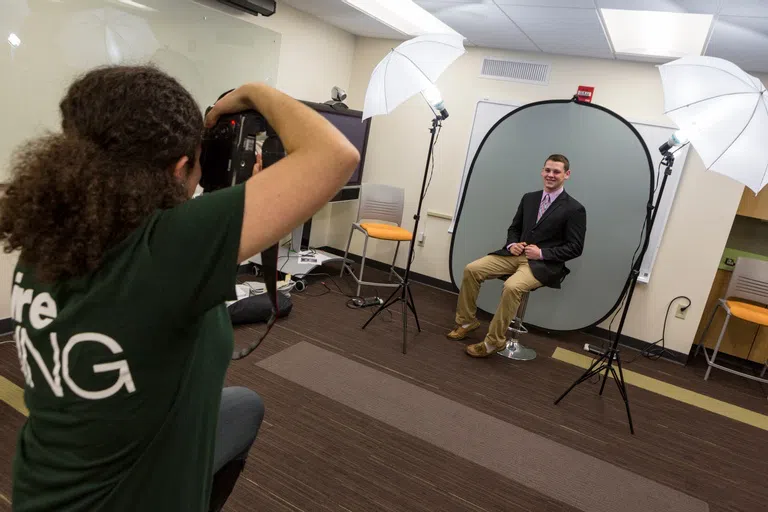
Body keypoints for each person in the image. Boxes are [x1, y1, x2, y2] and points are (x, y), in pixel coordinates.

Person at [0, 66, 359, 511]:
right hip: (124, 499)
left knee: (243, 408)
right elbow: (334, 153)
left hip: (45, 487)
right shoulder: (170, 252)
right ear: (178, 168)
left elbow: (149, 283)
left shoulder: (52, 235)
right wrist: (252, 92)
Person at [447, 154, 586, 357]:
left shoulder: (575, 209)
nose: (551, 175)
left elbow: (575, 247)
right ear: (542, 171)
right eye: (547, 170)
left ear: (567, 174)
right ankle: (467, 322)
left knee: (512, 286)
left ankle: (493, 342)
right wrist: (512, 244)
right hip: (514, 255)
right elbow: (514, 228)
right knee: (472, 269)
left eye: (556, 171)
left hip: (542, 264)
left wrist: (542, 253)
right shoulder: (529, 198)